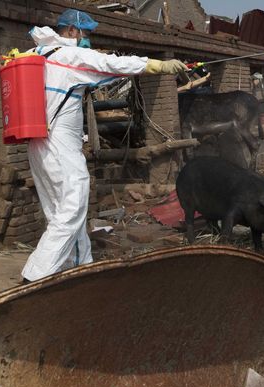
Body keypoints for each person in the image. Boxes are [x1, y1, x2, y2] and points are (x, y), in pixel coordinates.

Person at [21, 9, 188, 282]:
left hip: (38, 143)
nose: (88, 38)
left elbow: (100, 74)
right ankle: (35, 275)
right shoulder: (70, 55)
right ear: (72, 31)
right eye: (86, 33)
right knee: (73, 205)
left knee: (60, 211)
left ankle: (78, 267)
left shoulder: (39, 54)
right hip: (59, 143)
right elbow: (111, 64)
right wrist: (157, 65)